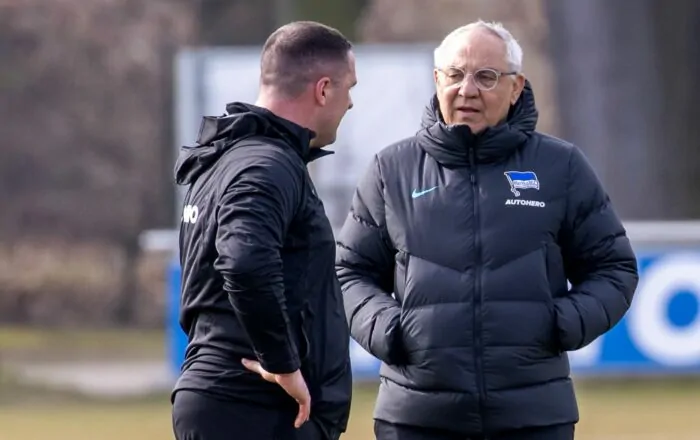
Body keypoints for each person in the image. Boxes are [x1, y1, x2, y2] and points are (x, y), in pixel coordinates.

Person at [335, 20, 638, 440]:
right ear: (437, 81)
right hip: (416, 415)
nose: (468, 89)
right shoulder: (391, 170)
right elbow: (349, 272)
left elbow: (614, 268)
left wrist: (560, 323)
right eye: (455, 75)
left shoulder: (561, 167)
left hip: (533, 415)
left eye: (486, 76)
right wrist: (391, 330)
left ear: (516, 87)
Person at [171, 21, 357, 440]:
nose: (350, 103)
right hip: (254, 406)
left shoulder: (225, 159)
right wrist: (282, 363)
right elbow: (244, 260)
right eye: (349, 88)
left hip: (226, 400)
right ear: (323, 89)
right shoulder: (267, 165)